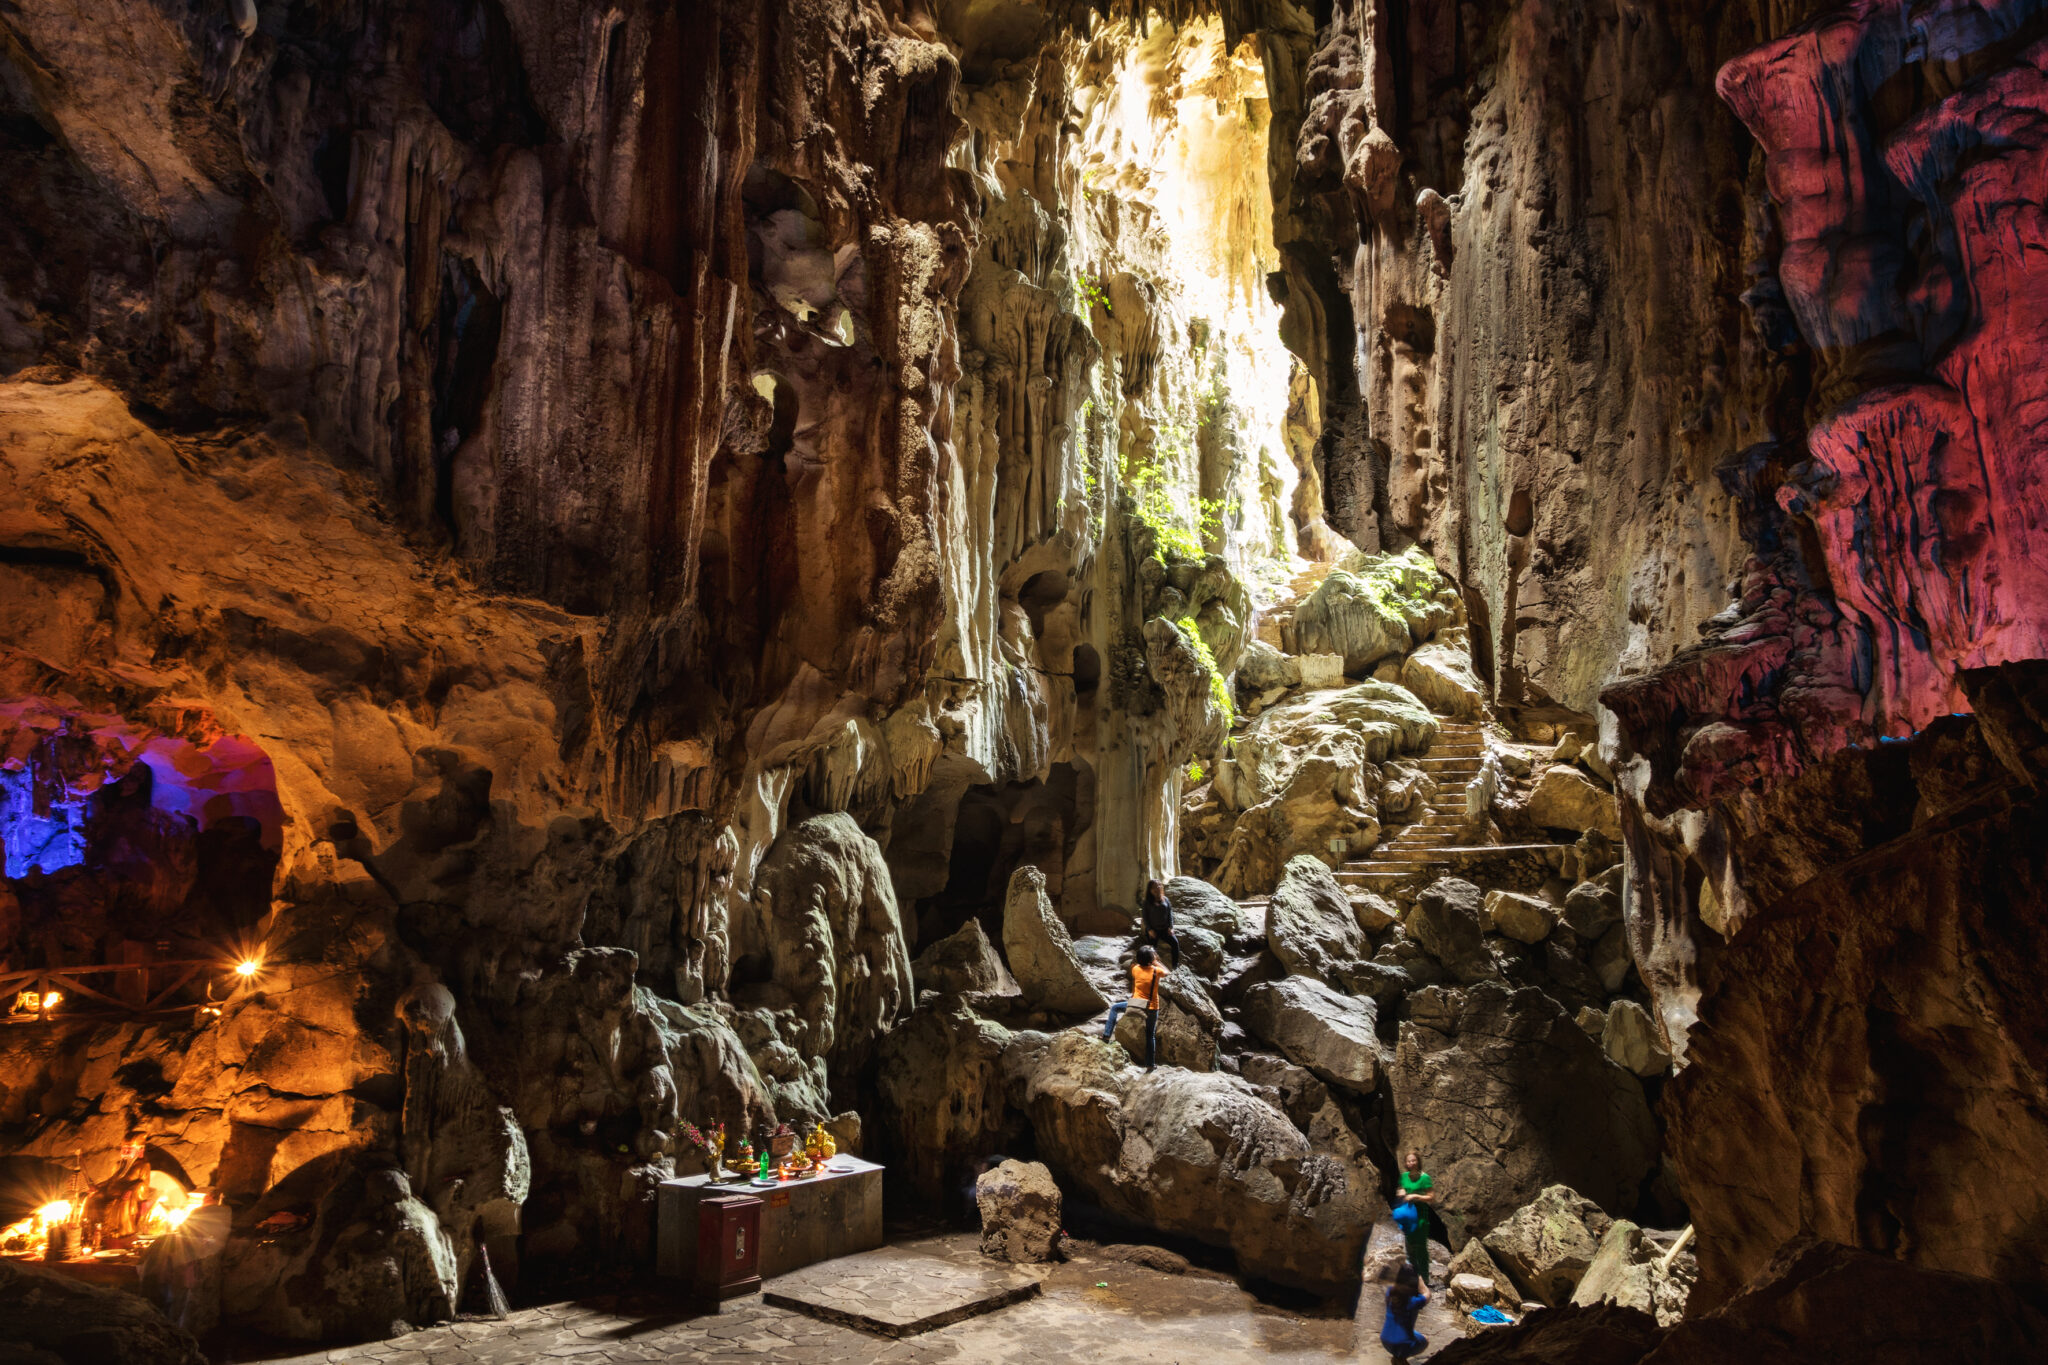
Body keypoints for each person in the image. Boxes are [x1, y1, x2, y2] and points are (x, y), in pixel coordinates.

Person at [1100, 944, 1166, 1070]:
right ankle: (1150, 1064)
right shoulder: (1156, 971)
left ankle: (1106, 1035)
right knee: (1150, 1035)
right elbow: (1167, 972)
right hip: (1152, 1007)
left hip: (1137, 1004)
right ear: (1150, 959)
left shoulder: (1135, 969)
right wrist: (1156, 962)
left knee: (1115, 1008)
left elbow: (1134, 963)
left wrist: (1147, 957)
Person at [1396, 1149, 1437, 1284]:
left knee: (1421, 1247)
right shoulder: (1404, 1176)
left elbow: (1431, 1197)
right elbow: (1401, 1188)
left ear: (1418, 1161)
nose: (1411, 1163)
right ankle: (1413, 1278)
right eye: (1409, 1161)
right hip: (1408, 1215)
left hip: (1421, 1216)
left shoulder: (1425, 1178)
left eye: (1414, 1160)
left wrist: (1417, 1196)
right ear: (1406, 1163)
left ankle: (1424, 1278)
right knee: (1409, 1246)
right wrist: (1401, 1192)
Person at [1379, 1260, 1430, 1362]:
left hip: (1385, 1340)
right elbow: (1427, 1294)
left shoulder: (1390, 1292)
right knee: (1425, 1340)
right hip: (1402, 1343)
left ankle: (1397, 1357)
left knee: (1408, 1333)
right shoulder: (1414, 1301)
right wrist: (1420, 1280)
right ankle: (1401, 1358)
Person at [1139, 879, 1181, 969]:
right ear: (1150, 890)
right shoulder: (1146, 902)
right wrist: (1149, 930)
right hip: (1153, 930)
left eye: (1159, 885)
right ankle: (1153, 967)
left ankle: (1175, 966)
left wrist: (1171, 927)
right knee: (1151, 950)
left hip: (1165, 929)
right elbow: (1145, 918)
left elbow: (1170, 914)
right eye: (1154, 887)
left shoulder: (1165, 900)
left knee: (1175, 943)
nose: (1157, 888)